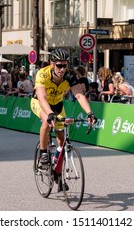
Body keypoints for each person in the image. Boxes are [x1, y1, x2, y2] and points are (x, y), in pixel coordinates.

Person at [30, 49, 97, 190]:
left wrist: (90, 113)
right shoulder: (43, 74)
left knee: (62, 138)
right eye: (59, 65)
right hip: (40, 103)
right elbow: (41, 97)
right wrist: (49, 114)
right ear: (52, 64)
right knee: (48, 123)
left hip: (58, 105)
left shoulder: (70, 76)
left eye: (65, 66)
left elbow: (79, 95)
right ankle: (43, 155)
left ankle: (58, 173)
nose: (62, 69)